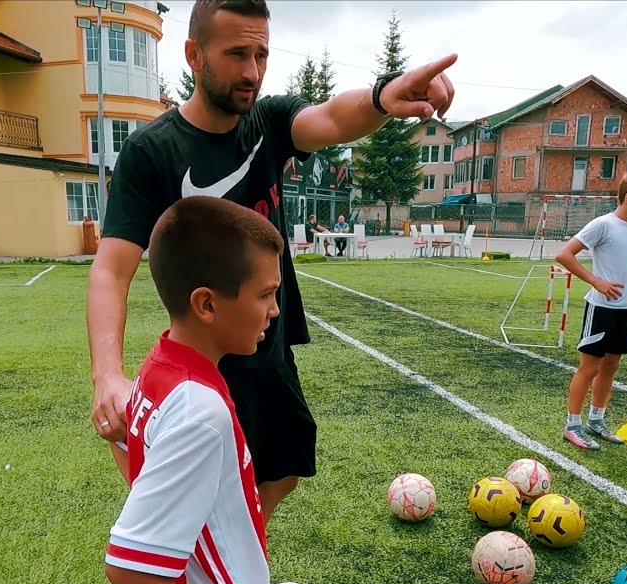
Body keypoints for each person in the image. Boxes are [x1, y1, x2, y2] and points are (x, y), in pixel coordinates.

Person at [88, 0, 456, 520]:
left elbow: (330, 117)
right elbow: (110, 268)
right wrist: (107, 373)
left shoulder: (270, 120)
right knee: (188, 498)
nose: (252, 71)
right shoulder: (153, 150)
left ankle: (228, 554)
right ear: (194, 54)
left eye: (261, 53)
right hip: (203, 360)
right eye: (237, 53)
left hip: (270, 341)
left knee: (285, 464)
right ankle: (211, 564)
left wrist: (382, 95)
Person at [104, 195, 293, 584]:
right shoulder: (199, 409)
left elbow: (144, 480)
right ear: (207, 304)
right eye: (266, 294)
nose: (276, 310)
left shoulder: (162, 366)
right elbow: (130, 567)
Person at [553, 170, 627, 450]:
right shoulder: (603, 224)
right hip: (601, 309)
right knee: (589, 368)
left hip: (626, 308)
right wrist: (596, 281)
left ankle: (596, 421)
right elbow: (564, 255)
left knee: (611, 367)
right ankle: (572, 426)